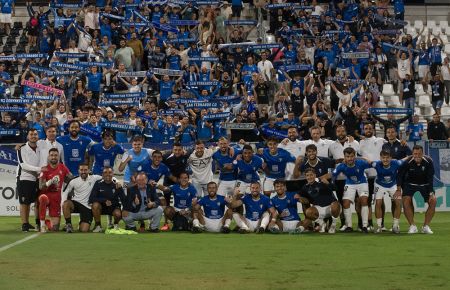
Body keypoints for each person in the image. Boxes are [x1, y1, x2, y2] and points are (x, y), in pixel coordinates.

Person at [398, 145, 436, 234]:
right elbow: (400, 175)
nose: (417, 156)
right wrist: (399, 188)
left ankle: (426, 226)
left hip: (425, 185)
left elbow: (430, 177)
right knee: (406, 201)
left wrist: (431, 192)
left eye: (419, 154)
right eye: (415, 154)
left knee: (433, 201)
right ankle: (412, 226)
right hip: (410, 184)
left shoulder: (429, 161)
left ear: (423, 154)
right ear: (412, 154)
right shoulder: (407, 162)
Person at [332, 147, 371, 233]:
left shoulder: (361, 163)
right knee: (345, 202)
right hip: (350, 183)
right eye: (347, 156)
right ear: (344, 157)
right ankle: (349, 226)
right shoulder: (341, 166)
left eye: (352, 156)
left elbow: (372, 163)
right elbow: (333, 175)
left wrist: (363, 158)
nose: (350, 158)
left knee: (364, 200)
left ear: (355, 156)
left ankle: (365, 225)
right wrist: (331, 183)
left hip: (362, 182)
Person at [38, 148, 73, 232]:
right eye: (52, 155)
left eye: (55, 155)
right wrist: (49, 182)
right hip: (46, 195)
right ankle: (42, 225)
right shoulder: (45, 169)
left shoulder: (63, 167)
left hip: (56, 197)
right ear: (48, 157)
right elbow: (40, 187)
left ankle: (47, 222)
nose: (53, 157)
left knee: (55, 229)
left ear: (58, 156)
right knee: (43, 198)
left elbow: (71, 178)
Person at [359, 122, 386, 230]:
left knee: (381, 200)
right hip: (366, 176)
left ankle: (382, 224)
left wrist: (402, 141)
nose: (368, 130)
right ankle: (369, 223)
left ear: (373, 130)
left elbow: (393, 143)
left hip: (379, 175)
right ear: (363, 130)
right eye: (366, 128)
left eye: (370, 128)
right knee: (368, 200)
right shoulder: (360, 143)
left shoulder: (380, 141)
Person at [298, 169, 341, 234]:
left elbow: (335, 188)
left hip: (331, 207)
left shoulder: (322, 182)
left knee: (336, 205)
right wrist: (299, 198)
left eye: (311, 175)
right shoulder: (305, 187)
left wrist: (328, 183)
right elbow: (297, 195)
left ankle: (333, 225)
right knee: (308, 212)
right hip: (319, 209)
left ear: (315, 175)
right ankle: (322, 224)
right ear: (306, 177)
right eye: (307, 175)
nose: (309, 177)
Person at [62, 163, 102, 233]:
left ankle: (81, 222)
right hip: (76, 203)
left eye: (85, 170)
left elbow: (107, 177)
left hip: (87, 206)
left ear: (89, 170)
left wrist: (116, 182)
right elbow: (65, 192)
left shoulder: (94, 178)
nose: (83, 172)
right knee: (66, 204)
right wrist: (62, 204)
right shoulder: (74, 180)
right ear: (78, 171)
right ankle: (68, 225)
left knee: (84, 230)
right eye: (81, 170)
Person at [371, 150, 403, 234]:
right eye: (383, 158)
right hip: (379, 185)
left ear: (391, 158)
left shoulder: (396, 163)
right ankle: (379, 226)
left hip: (393, 185)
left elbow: (406, 159)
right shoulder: (376, 164)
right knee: (378, 203)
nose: (385, 160)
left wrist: (414, 156)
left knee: (398, 203)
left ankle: (395, 226)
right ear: (380, 158)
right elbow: (367, 161)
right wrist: (357, 157)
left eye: (387, 158)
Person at [16, 129, 42, 232]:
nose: (33, 136)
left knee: (33, 201)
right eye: (31, 134)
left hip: (36, 178)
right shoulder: (21, 148)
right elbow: (23, 165)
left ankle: (28, 222)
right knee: (24, 202)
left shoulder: (40, 147)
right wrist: (39, 169)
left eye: (35, 134)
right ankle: (24, 224)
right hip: (24, 177)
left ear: (38, 136)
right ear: (27, 136)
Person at [89, 167, 125, 232]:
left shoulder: (117, 184)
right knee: (95, 205)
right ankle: (98, 226)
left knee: (118, 214)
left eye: (110, 172)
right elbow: (91, 198)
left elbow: (124, 199)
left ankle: (115, 224)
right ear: (102, 174)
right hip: (101, 207)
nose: (107, 174)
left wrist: (125, 210)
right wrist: (104, 201)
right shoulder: (98, 183)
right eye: (105, 172)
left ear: (113, 174)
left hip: (113, 207)